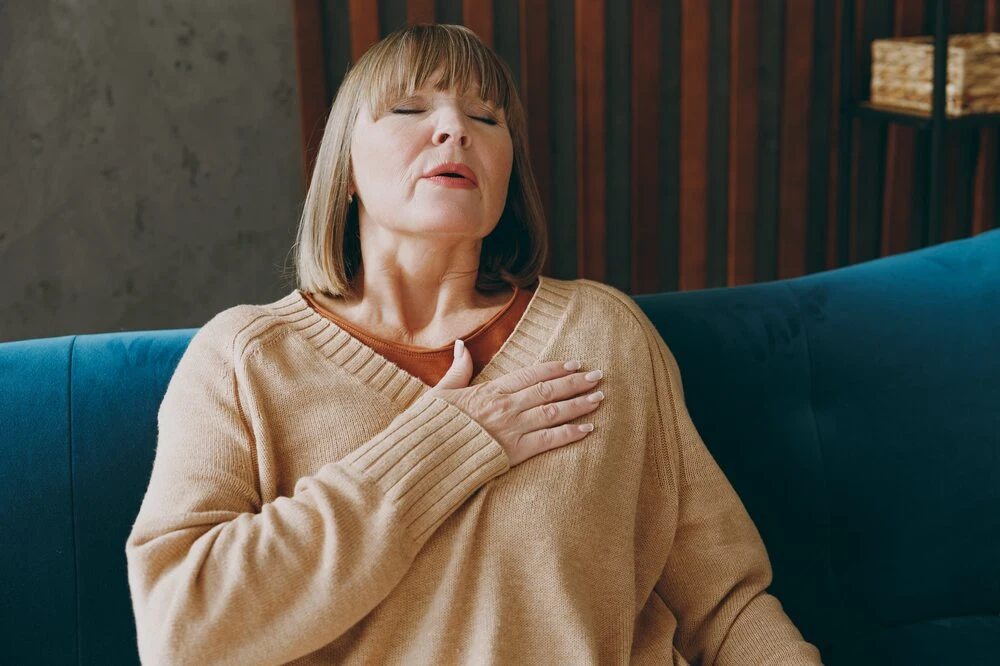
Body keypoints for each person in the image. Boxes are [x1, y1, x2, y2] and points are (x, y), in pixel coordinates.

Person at [125, 24, 822, 665]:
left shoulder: (605, 333)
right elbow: (180, 631)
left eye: (486, 118)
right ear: (344, 168)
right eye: (409, 109)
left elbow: (725, 607)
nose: (454, 129)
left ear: (509, 175)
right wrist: (442, 446)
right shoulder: (243, 359)